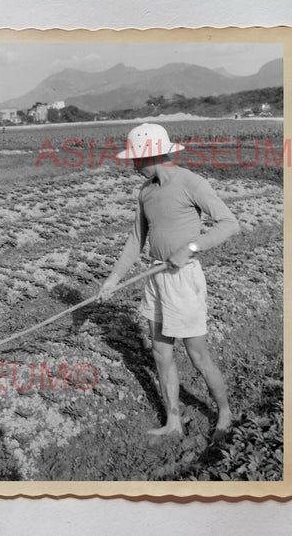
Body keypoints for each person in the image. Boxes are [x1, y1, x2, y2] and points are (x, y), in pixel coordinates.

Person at [98, 123, 240, 442]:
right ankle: (173, 421)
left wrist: (190, 248)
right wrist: (112, 280)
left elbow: (230, 224)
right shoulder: (146, 191)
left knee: (197, 355)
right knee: (161, 354)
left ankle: (225, 414)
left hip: (183, 278)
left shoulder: (191, 182)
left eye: (135, 158)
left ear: (149, 155)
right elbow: (136, 240)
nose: (132, 165)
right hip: (155, 278)